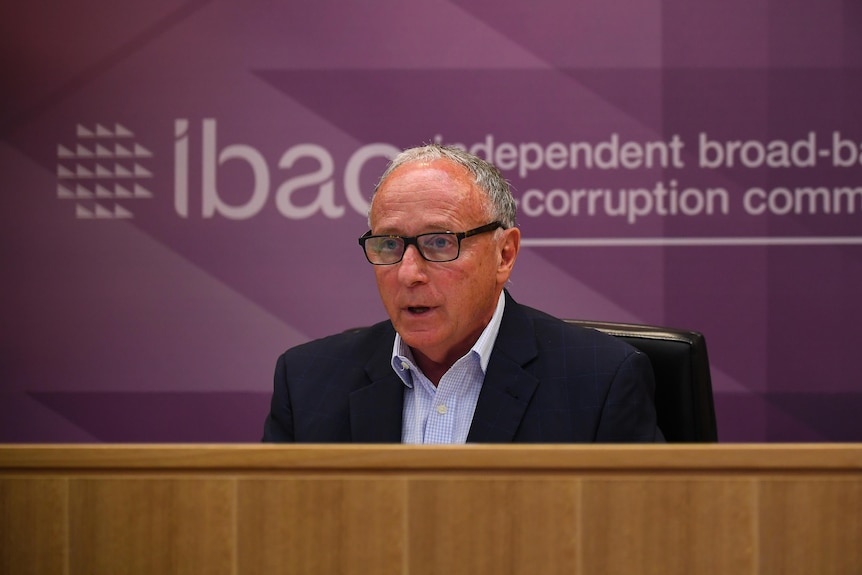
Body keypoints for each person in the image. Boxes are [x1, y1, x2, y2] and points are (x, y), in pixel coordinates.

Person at [263, 144, 663, 443]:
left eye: (439, 243)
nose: (408, 273)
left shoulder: (600, 381)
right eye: (388, 244)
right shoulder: (308, 383)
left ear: (504, 254)